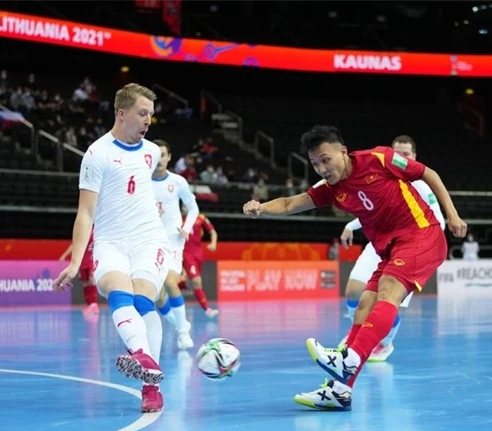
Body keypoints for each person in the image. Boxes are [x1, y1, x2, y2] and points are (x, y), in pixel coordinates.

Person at [243, 125, 467, 411]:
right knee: (364, 305)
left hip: (421, 234)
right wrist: (260, 208)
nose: (322, 168)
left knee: (387, 292)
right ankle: (340, 390)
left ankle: (349, 358)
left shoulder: (380, 158)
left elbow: (428, 174)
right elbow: (289, 203)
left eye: (326, 159)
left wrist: (453, 215)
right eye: (315, 163)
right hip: (388, 247)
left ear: (343, 152)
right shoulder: (331, 189)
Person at [54, 83, 170, 413]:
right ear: (122, 113)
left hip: (149, 239)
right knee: (118, 292)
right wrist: (76, 263)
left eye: (151, 114)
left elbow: (137, 189)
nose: (149, 120)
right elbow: (86, 212)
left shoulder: (152, 152)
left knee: (142, 298)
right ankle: (147, 362)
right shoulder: (97, 154)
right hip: (111, 241)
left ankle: (150, 384)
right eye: (143, 113)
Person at [338, 135, 446, 362]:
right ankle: (356, 334)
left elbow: (438, 221)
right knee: (353, 291)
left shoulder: (419, 184)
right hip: (379, 242)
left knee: (385, 301)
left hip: (409, 244)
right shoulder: (382, 174)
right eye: (397, 152)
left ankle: (384, 344)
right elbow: (370, 210)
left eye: (406, 154)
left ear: (414, 157)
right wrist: (351, 225)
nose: (401, 157)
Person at [150, 138, 199, 350]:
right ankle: (181, 325)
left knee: (170, 282)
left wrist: (186, 228)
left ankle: (182, 333)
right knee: (156, 296)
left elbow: (193, 207)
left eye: (163, 154)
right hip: (149, 242)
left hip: (173, 242)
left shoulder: (178, 182)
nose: (160, 159)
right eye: (156, 155)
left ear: (169, 157)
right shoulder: (142, 182)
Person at [178, 207, 220, 318]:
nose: (185, 207)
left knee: (185, 280)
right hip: (187, 255)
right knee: (197, 281)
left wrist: (213, 244)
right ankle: (207, 310)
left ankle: (178, 286)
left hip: (199, 255)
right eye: (183, 205)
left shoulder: (201, 217)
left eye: (188, 204)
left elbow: (213, 232)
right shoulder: (177, 218)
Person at [60, 228, 99, 319]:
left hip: (90, 261)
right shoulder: (84, 230)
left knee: (91, 281)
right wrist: (65, 255)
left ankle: (94, 304)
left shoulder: (96, 232)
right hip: (82, 262)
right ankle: (90, 305)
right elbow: (75, 245)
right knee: (85, 283)